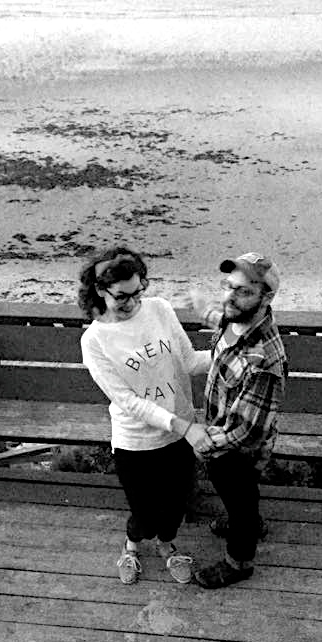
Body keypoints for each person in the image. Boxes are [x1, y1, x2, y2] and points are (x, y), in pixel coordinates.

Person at [78, 245, 210, 585]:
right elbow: (128, 402)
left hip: (179, 434)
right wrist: (183, 426)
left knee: (176, 506)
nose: (133, 302)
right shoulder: (94, 340)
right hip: (135, 442)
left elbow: (190, 361)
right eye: (122, 296)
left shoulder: (159, 309)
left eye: (138, 292)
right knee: (144, 513)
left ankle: (167, 546)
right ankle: (131, 545)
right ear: (99, 290)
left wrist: (234, 353)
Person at [188, 252, 288, 589]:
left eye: (244, 291)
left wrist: (204, 442)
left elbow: (249, 429)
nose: (230, 297)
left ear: (266, 297)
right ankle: (247, 522)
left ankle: (239, 562)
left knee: (240, 498)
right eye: (228, 286)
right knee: (237, 497)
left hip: (237, 448)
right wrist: (203, 311)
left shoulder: (263, 360)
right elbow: (224, 322)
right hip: (220, 429)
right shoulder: (239, 320)